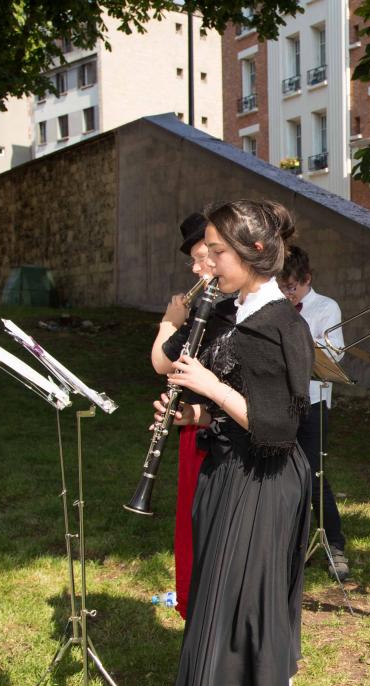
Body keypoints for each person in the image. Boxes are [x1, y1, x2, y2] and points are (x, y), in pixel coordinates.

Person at [159, 199, 315, 686]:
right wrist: (193, 412)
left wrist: (211, 389)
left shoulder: (281, 325)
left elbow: (277, 427)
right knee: (248, 602)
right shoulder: (236, 310)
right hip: (234, 468)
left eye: (219, 253)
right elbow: (239, 404)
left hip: (266, 478)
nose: (210, 263)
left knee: (260, 608)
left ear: (252, 255)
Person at [149, 213, 235, 620]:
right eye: (195, 261)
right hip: (194, 423)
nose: (198, 269)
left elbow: (160, 363)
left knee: (206, 528)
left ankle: (205, 611)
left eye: (204, 258)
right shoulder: (208, 303)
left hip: (216, 428)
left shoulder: (222, 311)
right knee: (191, 524)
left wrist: (169, 322)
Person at [278, 245, 350, 581]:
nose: (287, 293)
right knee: (284, 476)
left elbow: (336, 354)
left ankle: (334, 542)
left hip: (313, 401)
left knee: (314, 475)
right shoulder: (277, 306)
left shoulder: (326, 308)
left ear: (307, 280)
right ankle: (291, 544)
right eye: (282, 287)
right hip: (280, 402)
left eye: (292, 287)